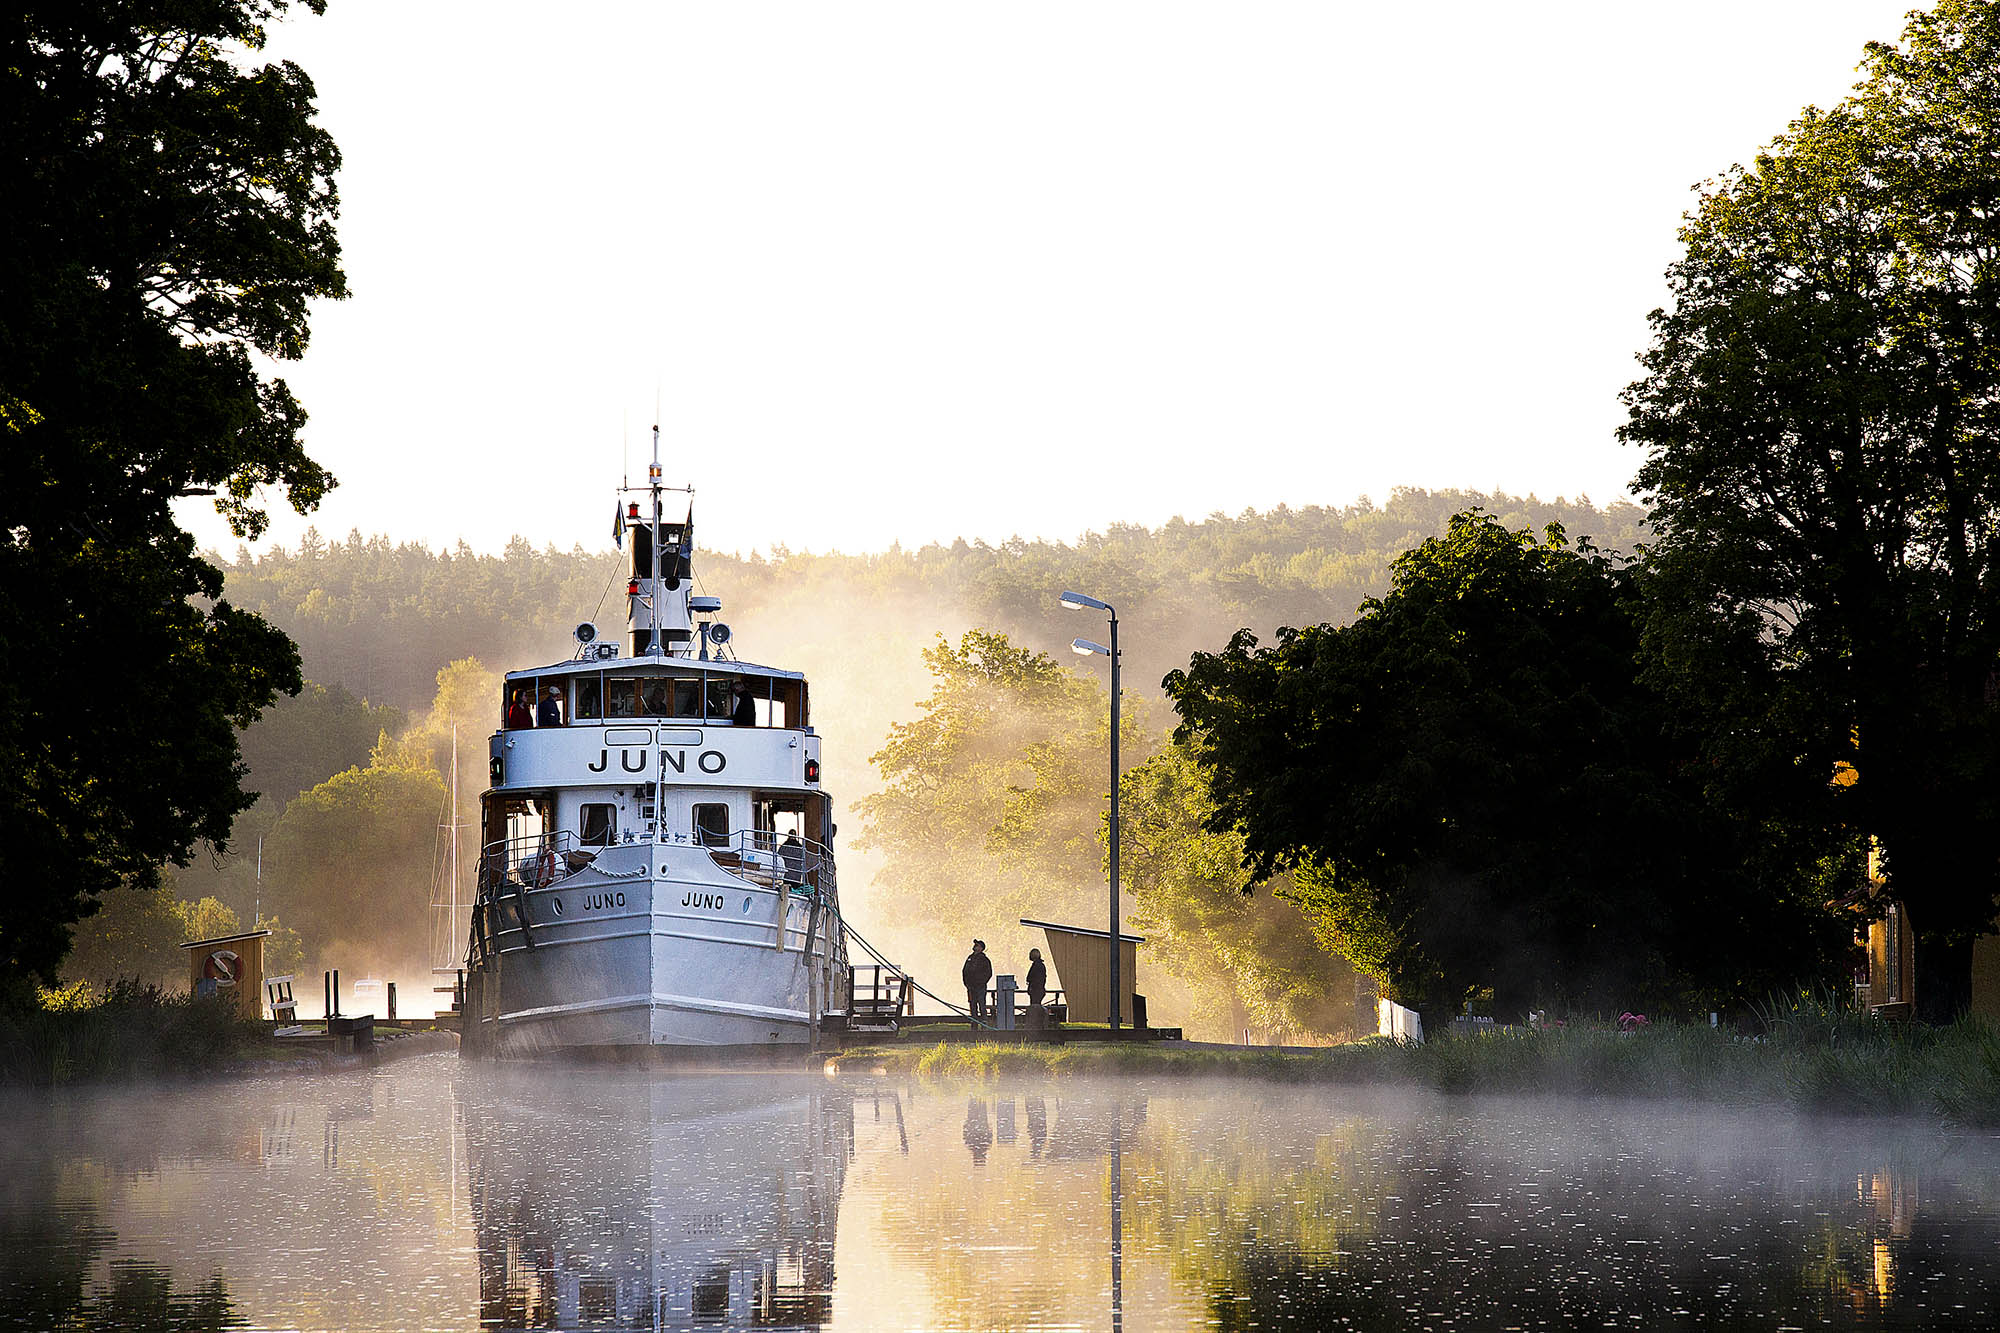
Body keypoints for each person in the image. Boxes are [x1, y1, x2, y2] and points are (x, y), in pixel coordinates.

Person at [962, 939, 993, 1023]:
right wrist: (966, 983)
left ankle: (984, 1022)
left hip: (980, 987)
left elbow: (988, 973)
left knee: (981, 1004)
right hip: (970, 987)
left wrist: (981, 982)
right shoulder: (970, 958)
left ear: (981, 948)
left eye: (977, 945)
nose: (975, 946)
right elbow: (964, 971)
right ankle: (974, 1022)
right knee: (972, 1005)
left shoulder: (984, 960)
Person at [1026, 947, 1047, 1020]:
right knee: (1037, 1006)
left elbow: (1032, 977)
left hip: (1035, 990)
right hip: (1040, 989)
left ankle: (1035, 1021)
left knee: (1034, 1007)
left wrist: (1031, 986)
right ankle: (1038, 1020)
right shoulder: (1041, 965)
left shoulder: (1036, 965)